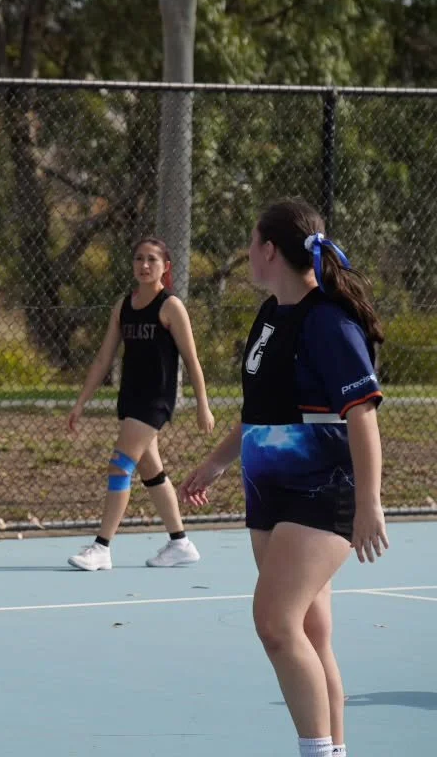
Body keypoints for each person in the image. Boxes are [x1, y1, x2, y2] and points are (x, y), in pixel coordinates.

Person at [181, 199, 387, 757]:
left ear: (270, 250)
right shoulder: (271, 314)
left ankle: (318, 752)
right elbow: (261, 407)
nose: (247, 254)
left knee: (273, 623)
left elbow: (362, 414)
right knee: (312, 637)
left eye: (251, 244)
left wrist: (369, 502)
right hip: (269, 492)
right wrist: (219, 460)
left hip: (322, 492)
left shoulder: (328, 321)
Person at [64, 236, 216, 571]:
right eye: (138, 259)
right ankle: (180, 543)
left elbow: (192, 360)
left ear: (166, 267)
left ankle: (102, 547)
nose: (144, 266)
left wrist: (202, 405)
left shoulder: (170, 306)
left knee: (120, 464)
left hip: (155, 399)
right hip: (130, 397)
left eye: (152, 260)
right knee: (151, 469)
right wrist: (80, 403)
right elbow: (104, 358)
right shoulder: (123, 305)